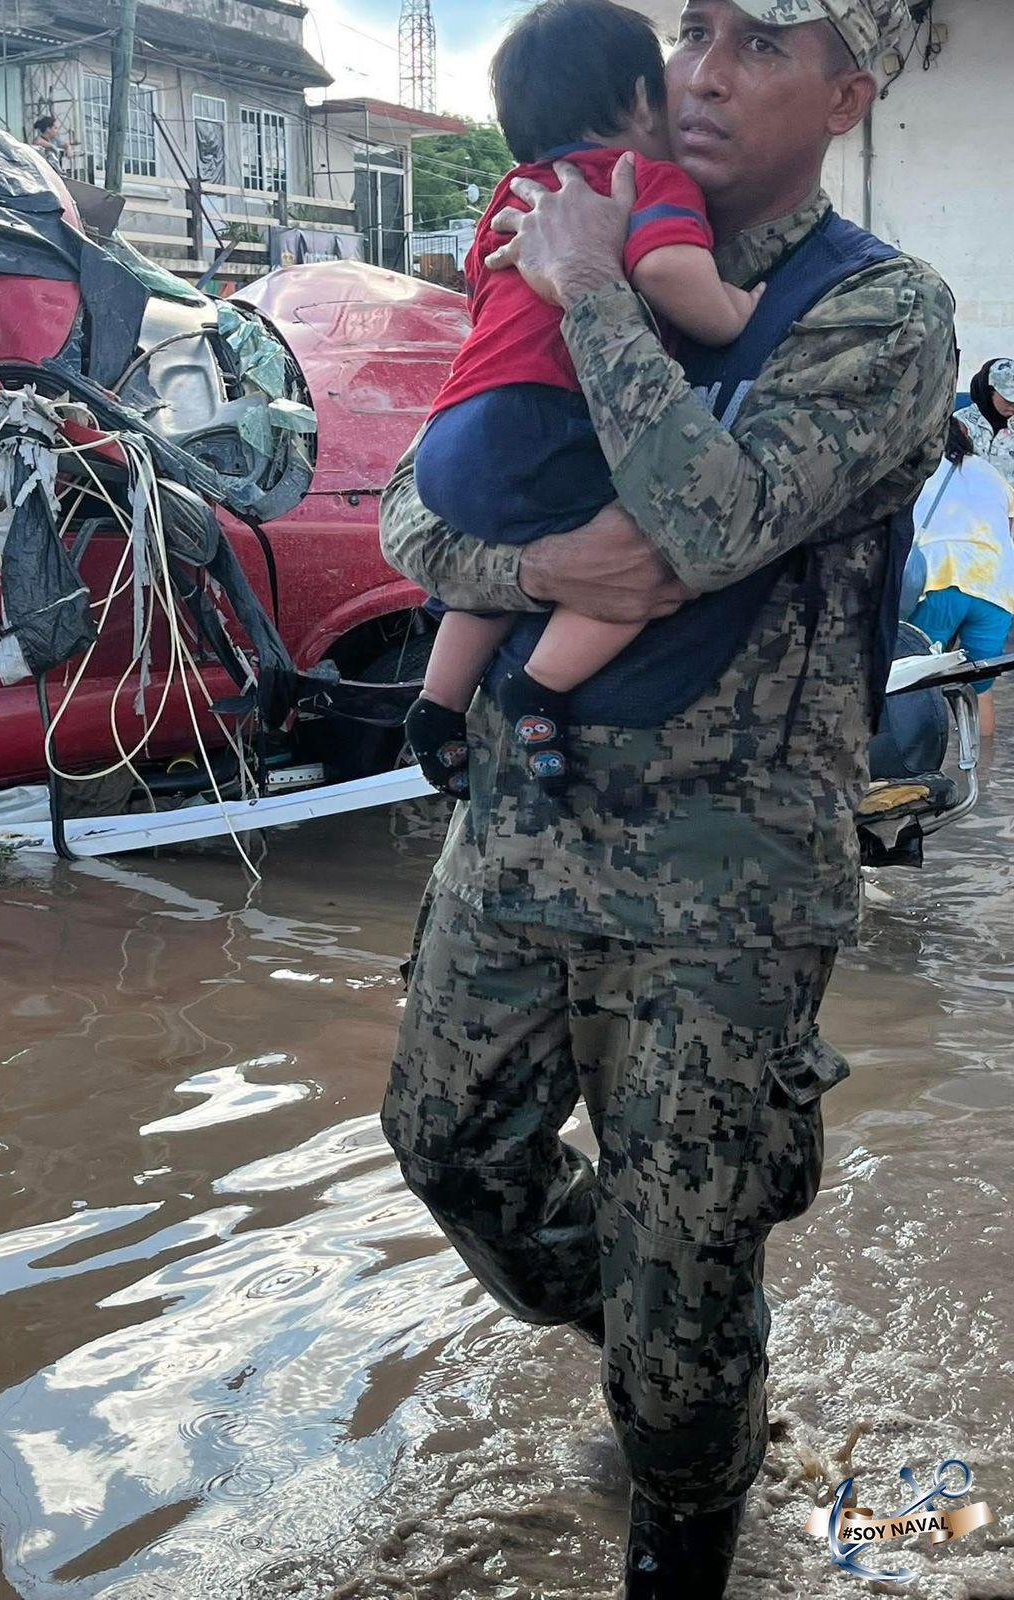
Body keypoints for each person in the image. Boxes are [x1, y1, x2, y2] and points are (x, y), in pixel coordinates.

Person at [377, 0, 957, 1595]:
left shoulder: (879, 311)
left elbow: (706, 524)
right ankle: (652, 1355)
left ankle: (689, 1496)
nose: (702, 69)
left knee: (691, 1275)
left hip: (727, 881)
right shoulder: (563, 212)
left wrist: (590, 289)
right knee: (448, 1150)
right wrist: (533, 563)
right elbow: (423, 518)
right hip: (519, 832)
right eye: (691, 31)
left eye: (759, 45)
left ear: (849, 93)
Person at [406, 0, 763, 802]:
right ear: (643, 101)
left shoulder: (513, 191)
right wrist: (738, 311)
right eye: (689, 46)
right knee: (647, 545)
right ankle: (541, 686)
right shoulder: (641, 178)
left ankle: (436, 703)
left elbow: (486, 304)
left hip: (454, 432)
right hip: (543, 413)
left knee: (500, 551)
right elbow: (673, 274)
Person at [909, 415, 1014, 738]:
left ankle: (919, 772)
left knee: (916, 682)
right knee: (980, 689)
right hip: (997, 589)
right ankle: (983, 774)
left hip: (943, 578)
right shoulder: (992, 474)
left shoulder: (918, 472)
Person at [954, 358, 1014, 489]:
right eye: (1008, 400)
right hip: (966, 503)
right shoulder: (960, 424)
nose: (1013, 406)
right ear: (989, 392)